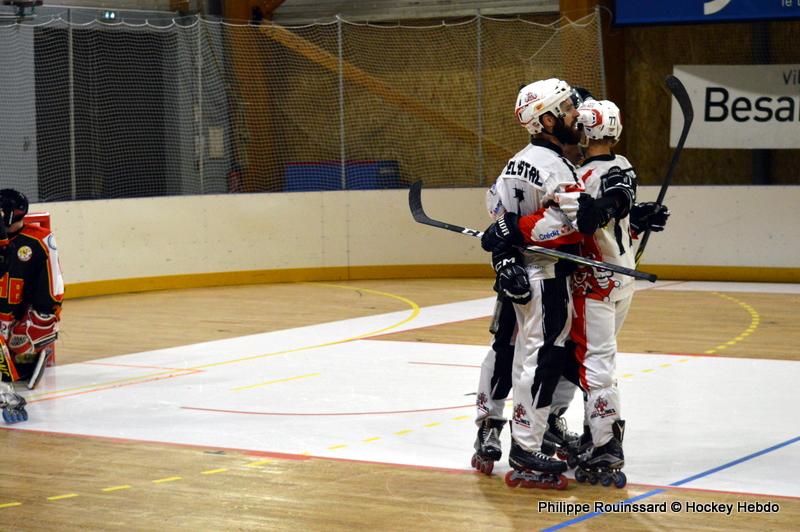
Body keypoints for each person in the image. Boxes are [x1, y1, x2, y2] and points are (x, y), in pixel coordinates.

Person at [470, 85, 591, 476]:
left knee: (511, 350)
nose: (576, 114)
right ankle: (524, 441)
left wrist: (506, 247)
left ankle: (503, 426)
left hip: (518, 274)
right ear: (548, 120)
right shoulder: (557, 168)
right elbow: (570, 225)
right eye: (568, 108)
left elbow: (496, 207)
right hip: (546, 277)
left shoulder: (515, 162)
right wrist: (514, 238)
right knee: (535, 357)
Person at [565, 99, 670, 487]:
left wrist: (607, 208)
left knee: (596, 364)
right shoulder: (622, 164)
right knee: (599, 361)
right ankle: (595, 432)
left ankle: (605, 443)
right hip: (621, 280)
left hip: (596, 282)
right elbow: (621, 203)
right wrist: (635, 216)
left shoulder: (582, 175)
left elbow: (613, 201)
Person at [0, 188, 64, 423]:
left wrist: (46, 314)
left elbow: (53, 281)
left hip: (17, 319)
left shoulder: (38, 240)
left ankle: (17, 378)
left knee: (33, 335)